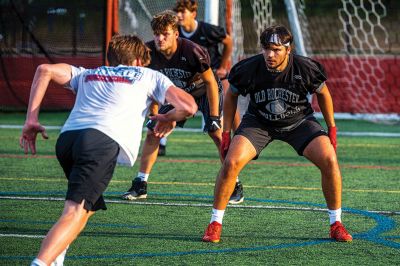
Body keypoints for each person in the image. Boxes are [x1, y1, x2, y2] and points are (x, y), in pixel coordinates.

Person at [21, 34, 197, 266]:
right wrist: (167, 117)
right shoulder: (149, 75)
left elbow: (45, 69)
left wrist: (31, 119)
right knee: (74, 212)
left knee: (90, 204)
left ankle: (57, 255)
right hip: (99, 143)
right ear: (136, 61)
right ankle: (41, 262)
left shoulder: (88, 73)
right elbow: (189, 106)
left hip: (67, 142)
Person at [201, 25, 353, 243]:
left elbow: (324, 94)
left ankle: (336, 223)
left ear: (288, 50)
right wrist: (227, 133)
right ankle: (214, 223)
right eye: (266, 49)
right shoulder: (250, 67)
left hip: (299, 121)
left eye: (276, 49)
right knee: (231, 161)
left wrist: (332, 128)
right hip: (259, 123)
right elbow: (232, 94)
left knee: (329, 158)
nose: (270, 55)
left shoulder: (304, 67)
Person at [122, 10, 244, 204]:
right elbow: (149, 83)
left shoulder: (193, 50)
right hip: (178, 94)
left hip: (203, 90)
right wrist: (154, 112)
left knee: (216, 133)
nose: (160, 39)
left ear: (176, 34)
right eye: (156, 34)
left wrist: (213, 117)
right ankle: (140, 183)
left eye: (165, 34)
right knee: (154, 131)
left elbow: (211, 83)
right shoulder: (148, 52)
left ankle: (234, 183)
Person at [173, 0, 243, 202]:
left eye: (183, 11)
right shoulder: (173, 34)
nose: (179, 15)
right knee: (156, 125)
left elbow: (228, 41)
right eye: (177, 12)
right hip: (189, 86)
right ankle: (142, 180)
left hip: (213, 80)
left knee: (227, 109)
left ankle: (239, 141)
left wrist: (223, 64)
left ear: (193, 13)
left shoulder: (207, 30)